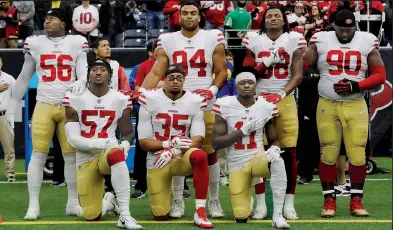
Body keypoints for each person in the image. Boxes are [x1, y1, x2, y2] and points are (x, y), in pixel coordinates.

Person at [140, 1, 228, 218]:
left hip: (203, 102)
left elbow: (221, 71)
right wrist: (141, 91)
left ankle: (213, 200)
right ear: (179, 16)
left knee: (209, 154)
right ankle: (178, 201)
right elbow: (156, 71)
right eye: (185, 13)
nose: (189, 16)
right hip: (175, 103)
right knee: (177, 149)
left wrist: (213, 91)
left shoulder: (212, 36)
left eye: (193, 13)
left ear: (200, 16)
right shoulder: (168, 39)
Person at [5, 8, 88, 220]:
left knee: (71, 157)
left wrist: (81, 81)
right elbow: (24, 78)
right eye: (46, 18)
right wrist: (13, 107)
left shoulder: (77, 42)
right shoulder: (35, 42)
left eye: (52, 18)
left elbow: (83, 71)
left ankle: (72, 202)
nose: (47, 22)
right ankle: (33, 205)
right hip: (44, 102)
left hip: (68, 106)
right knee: (38, 156)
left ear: (63, 23)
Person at [303, 9, 386, 217]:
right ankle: (329, 200)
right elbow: (303, 64)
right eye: (342, 28)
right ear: (333, 26)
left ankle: (356, 200)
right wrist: (303, 58)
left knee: (357, 153)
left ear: (355, 26)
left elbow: (380, 74)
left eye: (350, 28)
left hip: (355, 103)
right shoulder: (321, 38)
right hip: (327, 104)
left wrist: (356, 86)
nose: (346, 33)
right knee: (329, 152)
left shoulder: (367, 40)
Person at [242, 6, 305, 220]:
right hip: (258, 99)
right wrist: (267, 60)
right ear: (263, 20)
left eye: (278, 15)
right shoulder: (253, 40)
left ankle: (289, 203)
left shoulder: (294, 38)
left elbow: (297, 75)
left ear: (284, 19)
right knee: (257, 152)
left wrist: (280, 94)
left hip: (284, 99)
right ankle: (260, 204)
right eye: (269, 16)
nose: (274, 18)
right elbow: (248, 74)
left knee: (289, 151)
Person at [63, 59, 142, 229]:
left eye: (102, 70)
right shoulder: (74, 96)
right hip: (85, 156)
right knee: (91, 215)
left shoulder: (120, 98)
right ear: (88, 74)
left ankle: (125, 215)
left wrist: (125, 146)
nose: (98, 72)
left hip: (108, 151)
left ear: (110, 75)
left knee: (116, 153)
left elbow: (128, 133)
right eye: (94, 69)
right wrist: (95, 144)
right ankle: (109, 203)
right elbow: (72, 139)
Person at [137, 64, 213, 228]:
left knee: (200, 155)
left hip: (180, 156)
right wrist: (166, 144)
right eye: (171, 78)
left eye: (179, 78)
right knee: (160, 215)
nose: (175, 81)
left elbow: (198, 140)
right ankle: (174, 200)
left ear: (184, 80)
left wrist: (173, 149)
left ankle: (200, 211)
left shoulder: (194, 101)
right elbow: (143, 142)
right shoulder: (149, 98)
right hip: (157, 159)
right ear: (164, 80)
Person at [211, 71, 289, 228]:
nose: (246, 86)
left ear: (255, 85)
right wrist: (242, 132)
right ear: (236, 86)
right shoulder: (224, 104)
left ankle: (278, 216)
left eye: (250, 82)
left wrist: (274, 147)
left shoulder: (266, 106)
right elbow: (216, 143)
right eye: (242, 83)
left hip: (257, 158)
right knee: (241, 216)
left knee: (277, 160)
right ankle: (247, 201)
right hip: (236, 164)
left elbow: (275, 138)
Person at [0, 54, 16, 182]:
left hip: (4, 115)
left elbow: (18, 95)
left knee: (8, 145)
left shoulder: (9, 79)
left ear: (2, 63)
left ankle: (10, 173)